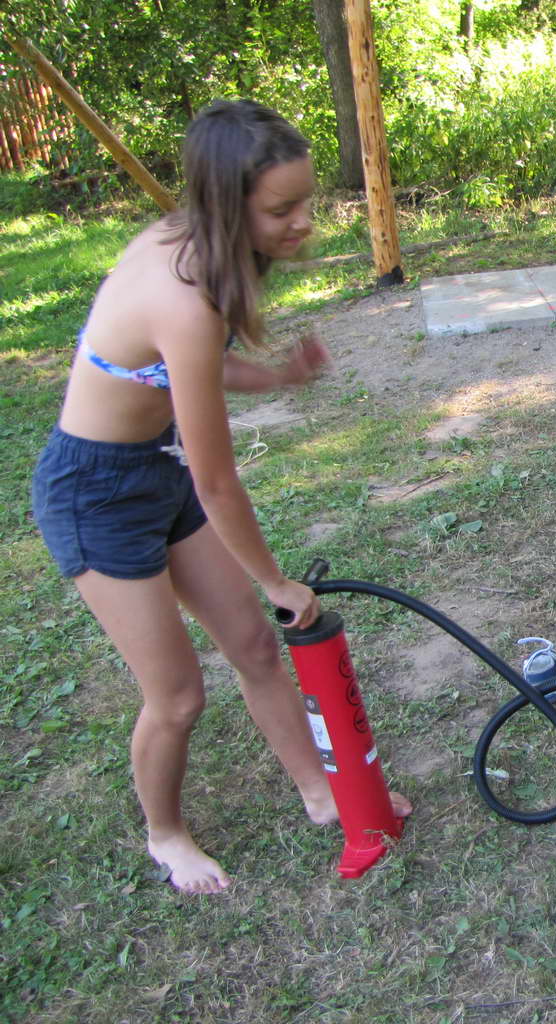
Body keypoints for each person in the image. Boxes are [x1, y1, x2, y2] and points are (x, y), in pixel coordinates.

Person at [30, 99, 410, 893]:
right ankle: (164, 834)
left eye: (305, 202)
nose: (302, 223)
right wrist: (275, 580)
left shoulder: (198, 258)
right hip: (94, 495)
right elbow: (217, 477)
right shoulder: (181, 293)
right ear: (227, 203)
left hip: (154, 467)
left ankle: (319, 791)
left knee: (255, 647)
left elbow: (186, 368)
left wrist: (276, 377)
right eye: (281, 209)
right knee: (176, 698)